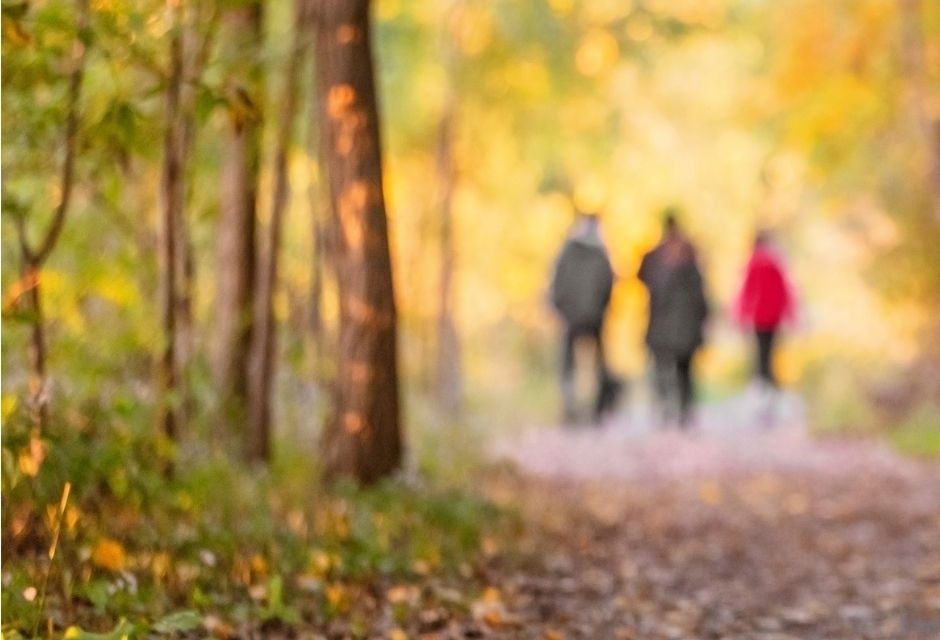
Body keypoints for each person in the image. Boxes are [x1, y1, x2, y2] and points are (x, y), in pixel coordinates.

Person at [638, 211, 709, 427]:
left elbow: (641, 278)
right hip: (684, 324)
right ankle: (683, 408)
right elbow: (700, 294)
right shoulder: (689, 256)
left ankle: (667, 406)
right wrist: (703, 317)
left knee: (664, 367)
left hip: (662, 322)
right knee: (683, 370)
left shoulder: (655, 257)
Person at [549, 212, 620, 423]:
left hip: (572, 317)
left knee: (569, 363)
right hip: (594, 317)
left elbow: (557, 284)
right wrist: (602, 308)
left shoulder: (567, 252)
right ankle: (596, 406)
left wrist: (562, 309)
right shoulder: (600, 253)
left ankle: (571, 404)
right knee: (598, 363)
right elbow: (608, 284)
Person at [734, 230, 796, 389]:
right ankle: (767, 380)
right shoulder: (775, 263)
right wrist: (789, 313)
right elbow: (784, 291)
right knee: (769, 349)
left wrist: (742, 314)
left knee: (761, 349)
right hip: (773, 314)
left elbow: (746, 291)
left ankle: (762, 380)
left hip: (758, 315)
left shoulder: (752, 264)